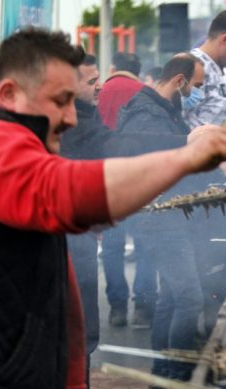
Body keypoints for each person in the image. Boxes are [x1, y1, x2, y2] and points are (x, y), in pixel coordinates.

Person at [0, 28, 226, 389]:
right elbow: (63, 197)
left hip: (10, 387)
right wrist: (186, 157)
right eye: (61, 101)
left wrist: (72, 386)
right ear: (10, 93)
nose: (69, 117)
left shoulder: (19, 138)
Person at [116, 53, 226, 389]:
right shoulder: (145, 114)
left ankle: (161, 376)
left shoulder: (161, 110)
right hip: (157, 216)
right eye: (194, 86)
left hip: (166, 213)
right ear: (179, 81)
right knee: (190, 298)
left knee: (170, 297)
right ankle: (178, 379)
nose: (195, 92)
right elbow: (163, 164)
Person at [59, 53, 111, 389]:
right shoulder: (63, 122)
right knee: (76, 326)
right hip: (61, 237)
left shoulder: (82, 117)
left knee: (82, 325)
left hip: (75, 233)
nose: (99, 87)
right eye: (92, 80)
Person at [96, 51, 156, 327]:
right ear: (137, 70)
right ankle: (143, 306)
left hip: (106, 179)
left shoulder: (100, 90)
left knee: (112, 246)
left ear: (113, 68)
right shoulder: (145, 92)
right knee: (144, 243)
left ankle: (117, 307)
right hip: (141, 178)